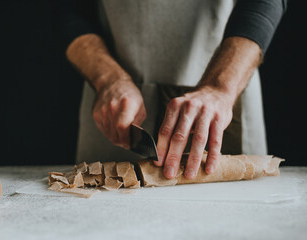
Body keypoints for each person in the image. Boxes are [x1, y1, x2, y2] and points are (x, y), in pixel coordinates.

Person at [56, 0, 288, 179]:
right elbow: (68, 8)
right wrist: (107, 78)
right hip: (116, 108)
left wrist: (220, 87)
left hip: (228, 92)